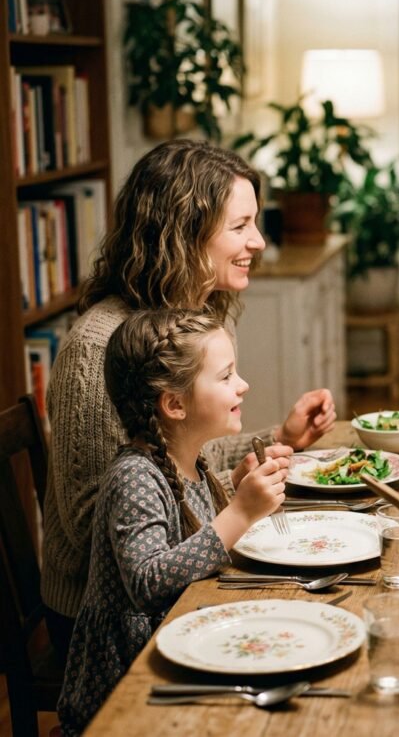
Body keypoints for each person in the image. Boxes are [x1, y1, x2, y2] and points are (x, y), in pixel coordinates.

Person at [42, 140, 336, 659]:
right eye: (240, 226)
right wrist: (234, 503)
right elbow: (104, 523)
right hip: (107, 626)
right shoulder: (97, 346)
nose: (260, 242)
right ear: (184, 232)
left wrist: (280, 439)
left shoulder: (200, 321)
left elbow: (178, 453)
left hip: (175, 585)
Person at [57, 309, 287, 735]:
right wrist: (240, 513)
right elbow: (148, 581)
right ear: (175, 404)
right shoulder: (134, 475)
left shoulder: (188, 463)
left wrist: (236, 491)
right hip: (128, 688)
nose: (243, 385)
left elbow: (190, 542)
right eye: (226, 376)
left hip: (180, 649)